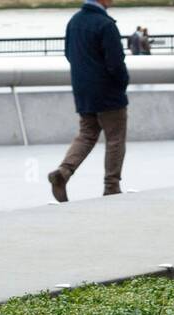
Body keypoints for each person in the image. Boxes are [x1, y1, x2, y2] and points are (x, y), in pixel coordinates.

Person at [48, 0, 129, 202]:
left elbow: (69, 54)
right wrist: (122, 83)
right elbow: (116, 63)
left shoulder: (74, 21)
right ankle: (112, 187)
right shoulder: (106, 25)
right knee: (115, 138)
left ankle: (64, 171)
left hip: (83, 90)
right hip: (108, 92)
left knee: (86, 134)